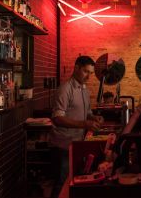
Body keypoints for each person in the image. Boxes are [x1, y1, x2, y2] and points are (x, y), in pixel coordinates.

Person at [50, 56, 104, 197]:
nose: (88, 76)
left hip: (77, 143)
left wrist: (93, 117)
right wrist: (84, 124)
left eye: (91, 73)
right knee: (62, 182)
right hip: (63, 145)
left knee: (72, 182)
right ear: (76, 68)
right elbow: (57, 118)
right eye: (86, 71)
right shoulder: (65, 89)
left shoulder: (84, 89)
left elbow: (87, 112)